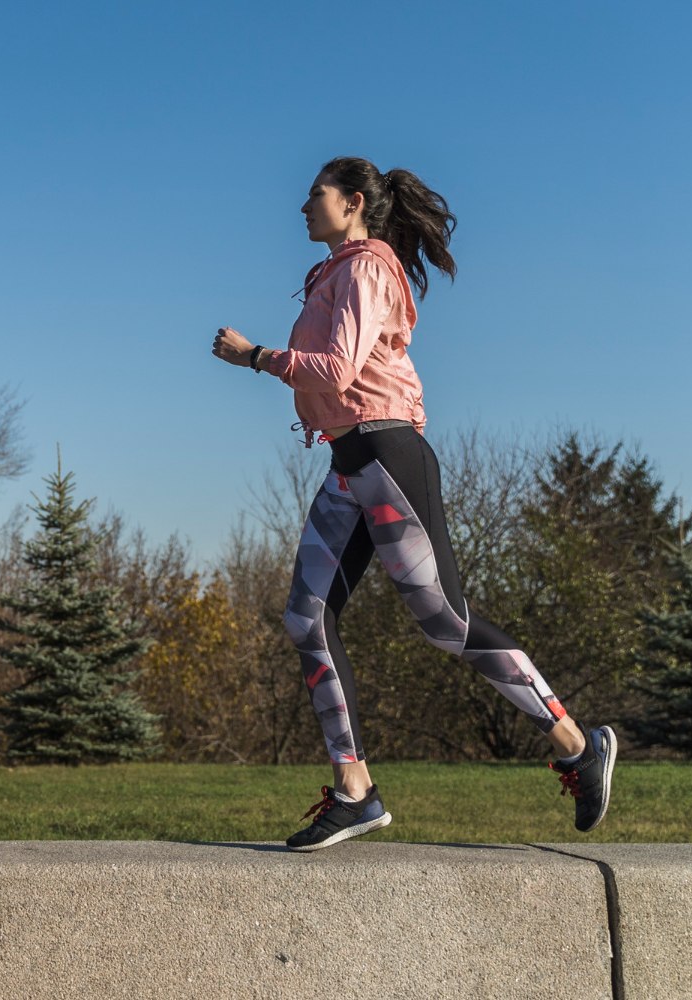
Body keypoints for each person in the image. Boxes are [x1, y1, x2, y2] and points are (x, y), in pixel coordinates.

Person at [210, 156, 616, 852]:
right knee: (306, 618)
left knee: (446, 623)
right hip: (349, 463)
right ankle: (355, 792)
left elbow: (337, 369)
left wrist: (255, 357)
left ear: (353, 202)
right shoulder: (333, 273)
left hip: (387, 455)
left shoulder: (368, 268)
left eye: (315, 195)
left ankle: (579, 746)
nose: (303, 206)